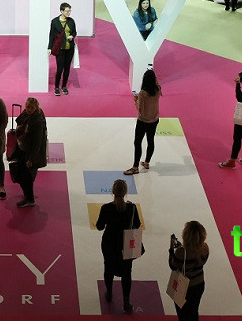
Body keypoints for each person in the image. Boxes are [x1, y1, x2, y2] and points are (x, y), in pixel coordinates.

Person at [96, 179, 141, 313]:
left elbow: (99, 226)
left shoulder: (106, 208)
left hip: (109, 243)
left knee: (108, 268)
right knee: (127, 272)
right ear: (125, 192)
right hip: (126, 244)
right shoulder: (132, 208)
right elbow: (137, 225)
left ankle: (109, 293)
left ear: (113, 192)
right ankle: (126, 302)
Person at [169, 221, 209, 320]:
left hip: (184, 287)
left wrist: (171, 250)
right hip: (199, 284)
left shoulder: (181, 252)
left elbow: (173, 266)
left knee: (182, 313)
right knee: (194, 310)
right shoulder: (205, 248)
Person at [11, 97, 47, 208]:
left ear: (36, 107)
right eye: (27, 107)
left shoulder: (37, 122)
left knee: (28, 178)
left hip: (31, 154)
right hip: (24, 149)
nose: (29, 109)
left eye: (32, 108)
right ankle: (27, 196)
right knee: (24, 176)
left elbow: (37, 143)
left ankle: (29, 199)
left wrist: (31, 159)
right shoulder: (27, 115)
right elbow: (19, 122)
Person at [124, 69, 162, 175]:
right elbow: (156, 82)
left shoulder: (143, 93)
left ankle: (135, 167)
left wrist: (135, 101)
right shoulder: (158, 89)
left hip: (143, 121)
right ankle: (147, 162)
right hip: (154, 120)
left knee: (137, 142)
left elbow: (140, 110)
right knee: (150, 141)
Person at [47, 2, 76, 96]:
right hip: (60, 48)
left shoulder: (71, 21)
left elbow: (74, 32)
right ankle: (56, 87)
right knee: (60, 69)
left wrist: (72, 36)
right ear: (61, 11)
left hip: (70, 48)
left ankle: (64, 86)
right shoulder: (55, 21)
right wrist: (49, 47)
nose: (69, 13)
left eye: (70, 11)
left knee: (67, 68)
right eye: (67, 11)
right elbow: (51, 35)